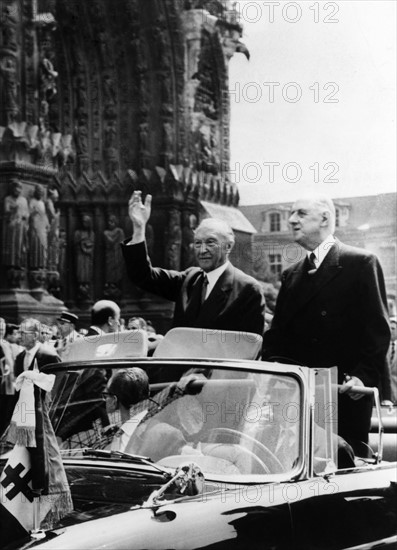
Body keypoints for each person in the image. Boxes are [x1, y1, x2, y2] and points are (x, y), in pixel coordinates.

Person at [262, 194, 391, 456]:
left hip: (344, 396)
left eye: (300, 213)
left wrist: (361, 377)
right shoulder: (291, 275)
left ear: (324, 218)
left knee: (343, 473)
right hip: (298, 400)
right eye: (290, 213)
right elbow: (277, 339)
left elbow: (377, 332)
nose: (291, 220)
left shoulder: (360, 263)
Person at [122, 191, 265, 335]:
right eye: (197, 243)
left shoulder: (248, 290)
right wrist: (139, 229)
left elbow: (248, 347)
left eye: (210, 242)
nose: (202, 250)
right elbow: (142, 276)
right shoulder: (189, 280)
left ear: (228, 246)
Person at [103, 368, 149, 452]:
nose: (104, 399)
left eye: (106, 395)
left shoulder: (157, 434)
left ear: (114, 400)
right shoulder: (117, 432)